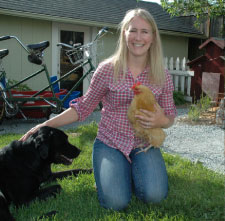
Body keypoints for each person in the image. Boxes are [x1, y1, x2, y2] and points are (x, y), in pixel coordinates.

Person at [20, 8, 177, 210]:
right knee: (116, 202)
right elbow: (82, 108)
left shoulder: (162, 74)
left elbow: (171, 115)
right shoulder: (107, 69)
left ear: (153, 37)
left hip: (143, 143)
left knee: (154, 196)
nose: (138, 37)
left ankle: (124, 172)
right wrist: (44, 124)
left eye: (145, 31)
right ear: (124, 34)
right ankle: (111, 170)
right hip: (110, 142)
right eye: (133, 30)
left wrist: (161, 121)